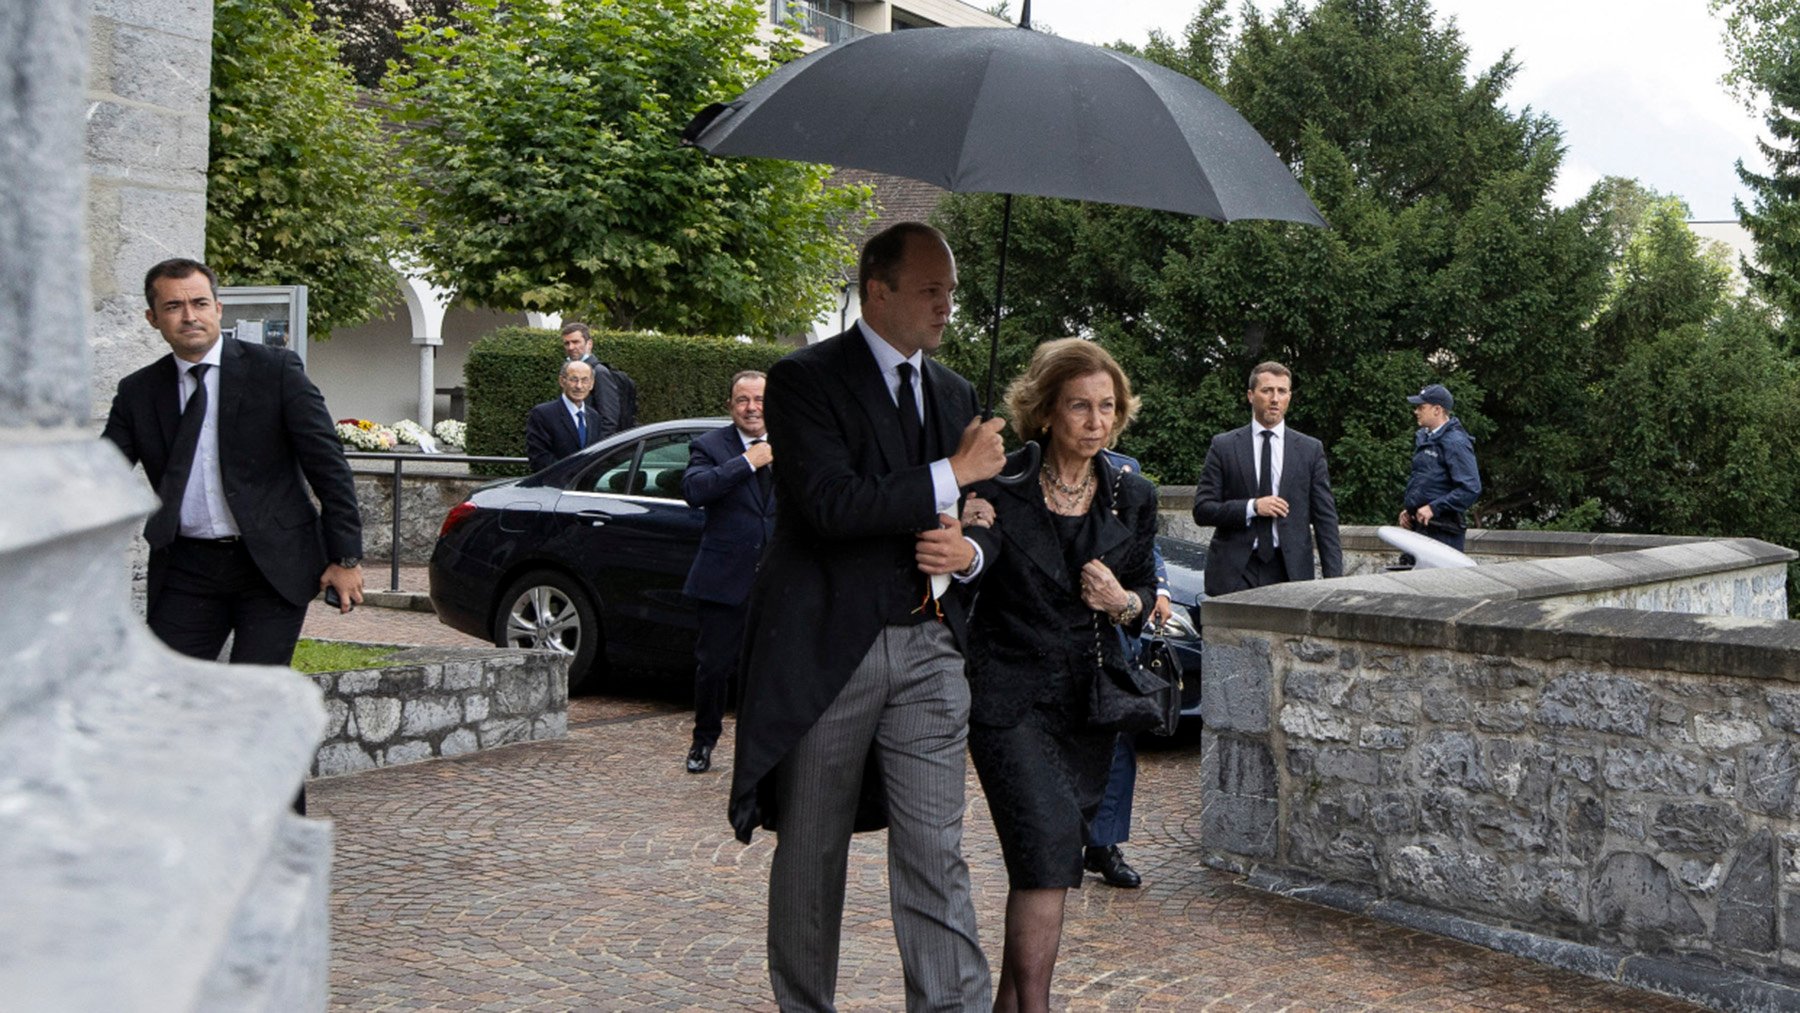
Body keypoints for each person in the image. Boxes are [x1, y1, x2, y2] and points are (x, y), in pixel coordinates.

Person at [728, 222, 1007, 1012]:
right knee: (812, 855)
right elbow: (827, 504)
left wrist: (972, 543)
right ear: (876, 290)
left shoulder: (955, 395)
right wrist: (953, 472)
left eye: (951, 290)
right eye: (930, 289)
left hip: (929, 652)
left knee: (936, 852)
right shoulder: (803, 381)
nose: (947, 305)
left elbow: (990, 511)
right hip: (828, 653)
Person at [103, 258, 363, 816]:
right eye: (173, 306)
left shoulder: (276, 371)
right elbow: (99, 475)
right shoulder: (138, 392)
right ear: (153, 318)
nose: (188, 316)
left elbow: (328, 466)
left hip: (270, 568)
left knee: (256, 701)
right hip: (188, 569)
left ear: (219, 308)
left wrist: (345, 556)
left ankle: (281, 841)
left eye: (199, 303)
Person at [959, 338, 1159, 1013]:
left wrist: (1120, 600)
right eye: (1079, 406)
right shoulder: (998, 483)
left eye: (1107, 406)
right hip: (1008, 702)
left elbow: (1142, 601)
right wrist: (964, 529)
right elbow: (964, 584)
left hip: (1085, 707)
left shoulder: (1133, 494)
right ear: (1045, 411)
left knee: (1046, 866)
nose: (1096, 420)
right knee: (1046, 850)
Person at [1081, 448, 1172, 891]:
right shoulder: (1027, 471)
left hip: (1115, 626)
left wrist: (1160, 590)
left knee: (1118, 734)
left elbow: (1144, 547)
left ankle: (1104, 844)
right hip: (1055, 629)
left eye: (1105, 406)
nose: (1094, 420)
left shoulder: (1127, 474)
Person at [679, 370, 777, 775]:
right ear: (730, 406)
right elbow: (694, 492)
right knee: (714, 667)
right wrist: (745, 463)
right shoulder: (710, 446)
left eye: (759, 400)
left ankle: (767, 750)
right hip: (723, 580)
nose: (752, 408)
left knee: (772, 670)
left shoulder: (794, 441)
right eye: (743, 400)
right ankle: (704, 742)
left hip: (777, 581)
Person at [1192, 361, 1342, 595]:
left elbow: (1325, 519)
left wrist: (1334, 582)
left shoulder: (1309, 450)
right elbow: (1202, 509)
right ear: (1251, 396)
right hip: (1235, 570)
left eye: (1282, 391)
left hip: (1290, 571)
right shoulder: (1224, 446)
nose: (1275, 398)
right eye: (1267, 390)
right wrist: (1252, 507)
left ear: (1289, 397)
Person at [1398, 383, 1481, 552]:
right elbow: (1427, 481)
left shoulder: (1456, 442)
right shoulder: (1425, 438)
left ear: (1437, 410)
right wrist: (1411, 510)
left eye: (1421, 407)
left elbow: (1470, 488)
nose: (1416, 411)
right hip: (1420, 528)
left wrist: (1434, 508)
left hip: (1443, 532)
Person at [560, 321, 637, 438]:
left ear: (589, 344)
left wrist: (593, 450)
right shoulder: (566, 369)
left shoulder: (599, 372)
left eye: (575, 342)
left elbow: (609, 419)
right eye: (567, 343)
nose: (570, 347)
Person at [524, 360, 606, 472]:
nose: (579, 386)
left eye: (585, 380)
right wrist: (570, 474)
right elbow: (539, 458)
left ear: (591, 384)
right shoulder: (543, 414)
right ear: (562, 381)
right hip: (554, 486)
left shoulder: (594, 417)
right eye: (574, 379)